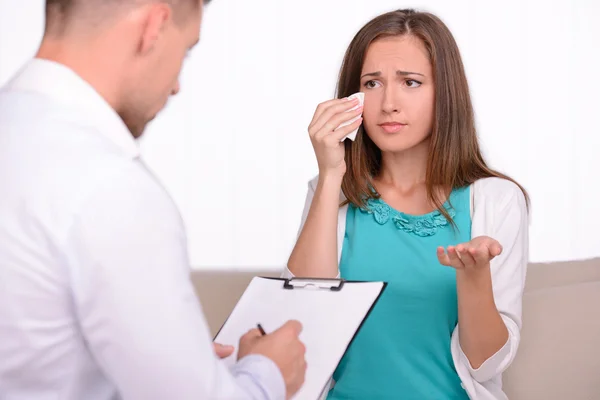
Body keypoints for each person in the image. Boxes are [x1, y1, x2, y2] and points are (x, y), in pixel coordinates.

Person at [0, 1, 306, 399]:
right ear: (154, 27)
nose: (176, 85)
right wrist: (267, 374)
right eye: (187, 49)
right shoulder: (109, 187)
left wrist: (176, 360)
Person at [285, 8, 529, 400]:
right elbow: (307, 324)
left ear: (445, 93)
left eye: (411, 82)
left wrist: (474, 278)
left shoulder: (496, 201)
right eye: (372, 84)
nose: (388, 104)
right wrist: (331, 174)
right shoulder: (330, 192)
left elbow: (487, 364)